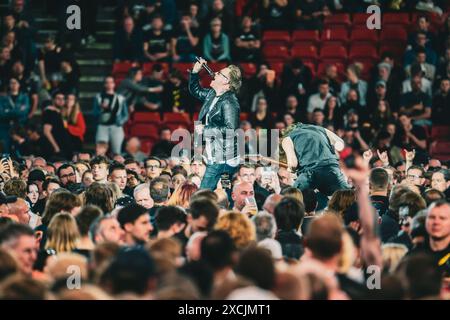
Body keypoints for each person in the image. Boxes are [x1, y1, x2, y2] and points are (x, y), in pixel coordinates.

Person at [189, 58, 242, 190]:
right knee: (224, 190)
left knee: (204, 192)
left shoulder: (229, 102)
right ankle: (229, 205)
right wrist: (195, 72)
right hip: (218, 155)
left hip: (223, 157)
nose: (215, 73)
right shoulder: (213, 94)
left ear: (226, 81)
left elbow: (231, 129)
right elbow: (195, 91)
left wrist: (206, 129)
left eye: (220, 73)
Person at [281, 123, 349, 195]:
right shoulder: (320, 129)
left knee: (294, 196)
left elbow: (293, 164)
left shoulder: (287, 138)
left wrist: (290, 171)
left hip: (310, 172)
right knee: (348, 196)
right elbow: (340, 142)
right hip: (333, 169)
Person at [93, 76, 129, 156]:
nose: (109, 84)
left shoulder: (120, 98)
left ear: (114, 84)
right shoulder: (98, 97)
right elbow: (94, 112)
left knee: (116, 152)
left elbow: (126, 114)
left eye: (111, 82)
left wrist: (120, 122)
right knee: (100, 152)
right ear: (104, 85)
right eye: (107, 82)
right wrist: (101, 109)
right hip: (102, 126)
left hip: (116, 126)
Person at [42, 91, 71, 159]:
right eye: (58, 98)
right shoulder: (50, 112)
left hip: (64, 147)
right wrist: (56, 147)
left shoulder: (60, 112)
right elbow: (46, 131)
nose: (61, 101)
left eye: (63, 99)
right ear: (53, 99)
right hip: (56, 149)